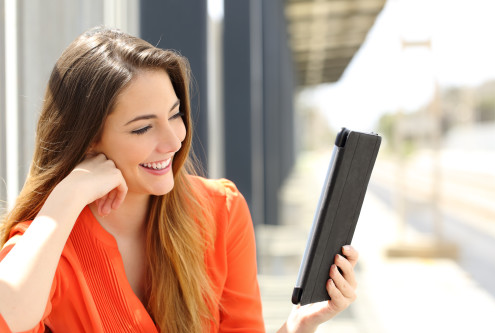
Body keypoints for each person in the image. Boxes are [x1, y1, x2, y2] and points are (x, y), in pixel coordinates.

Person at [0, 27, 358, 333]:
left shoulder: (221, 211)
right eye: (143, 128)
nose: (174, 141)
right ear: (88, 138)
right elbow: (10, 315)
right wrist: (66, 196)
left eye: (175, 115)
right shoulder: (47, 242)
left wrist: (299, 325)